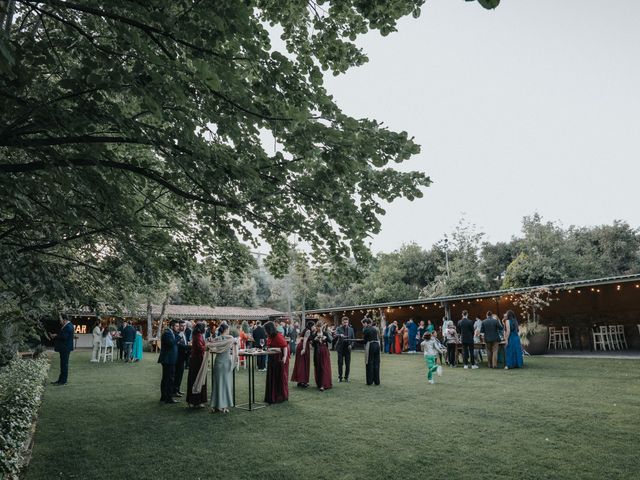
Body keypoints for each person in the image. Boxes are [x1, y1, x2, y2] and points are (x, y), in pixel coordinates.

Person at [210, 323, 237, 413]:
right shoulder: (230, 338)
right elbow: (236, 345)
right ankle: (223, 406)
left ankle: (216, 405)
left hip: (218, 362)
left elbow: (209, 346)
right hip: (226, 363)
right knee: (225, 384)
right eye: (228, 329)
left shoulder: (216, 339)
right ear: (226, 330)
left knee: (217, 384)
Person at [264, 321, 289, 404]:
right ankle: (271, 395)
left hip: (278, 359)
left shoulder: (278, 336)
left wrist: (284, 357)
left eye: (266, 330)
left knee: (278, 377)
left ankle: (279, 396)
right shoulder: (270, 337)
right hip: (272, 358)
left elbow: (284, 347)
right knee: (272, 376)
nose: (265, 332)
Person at [158, 319, 180, 404]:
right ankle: (168, 398)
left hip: (170, 359)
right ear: (172, 326)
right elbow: (171, 343)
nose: (178, 328)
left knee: (167, 378)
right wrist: (179, 336)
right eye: (176, 326)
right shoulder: (167, 333)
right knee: (169, 379)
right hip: (168, 359)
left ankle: (164, 397)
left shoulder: (172, 333)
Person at [186, 322, 208, 408]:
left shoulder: (197, 335)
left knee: (196, 379)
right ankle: (195, 401)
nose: (205, 329)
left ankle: (196, 401)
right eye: (204, 327)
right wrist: (207, 346)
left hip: (196, 359)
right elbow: (200, 348)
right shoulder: (198, 336)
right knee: (197, 379)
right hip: (197, 360)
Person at [52, 315, 74, 385]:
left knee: (64, 365)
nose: (60, 321)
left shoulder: (68, 326)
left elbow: (64, 337)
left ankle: (63, 381)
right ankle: (60, 380)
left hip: (65, 348)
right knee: (63, 365)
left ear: (64, 319)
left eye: (61, 319)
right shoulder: (67, 326)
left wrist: (55, 335)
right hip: (64, 348)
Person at [291, 321, 314, 388]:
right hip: (303, 346)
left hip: (300, 346)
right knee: (303, 364)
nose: (314, 327)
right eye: (313, 326)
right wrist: (304, 349)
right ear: (311, 326)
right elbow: (305, 340)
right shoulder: (308, 331)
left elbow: (301, 338)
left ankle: (300, 381)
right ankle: (302, 381)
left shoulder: (305, 330)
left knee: (300, 363)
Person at [312, 322, 332, 391]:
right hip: (317, 352)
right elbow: (313, 345)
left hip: (324, 352)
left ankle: (324, 384)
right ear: (316, 327)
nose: (319, 328)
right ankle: (319, 383)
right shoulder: (314, 334)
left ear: (322, 327)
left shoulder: (325, 333)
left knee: (324, 367)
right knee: (318, 367)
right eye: (318, 327)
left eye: (320, 327)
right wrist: (315, 340)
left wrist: (326, 338)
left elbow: (330, 341)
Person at [335, 316, 355, 382]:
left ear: (348, 322)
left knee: (348, 364)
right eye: (344, 322)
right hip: (340, 348)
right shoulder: (338, 328)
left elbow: (353, 339)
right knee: (340, 363)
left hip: (348, 348)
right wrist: (340, 335)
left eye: (346, 322)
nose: (345, 323)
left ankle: (346, 377)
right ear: (342, 322)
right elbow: (335, 334)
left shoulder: (351, 329)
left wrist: (351, 345)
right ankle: (340, 377)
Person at [362, 318, 380, 386]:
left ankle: (369, 381)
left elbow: (364, 340)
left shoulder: (366, 329)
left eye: (363, 324)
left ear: (366, 323)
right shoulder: (375, 329)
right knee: (376, 363)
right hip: (377, 345)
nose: (363, 325)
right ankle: (377, 381)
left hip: (371, 346)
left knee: (369, 363)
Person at [174, 320, 188, 396]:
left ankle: (178, 389)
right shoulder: (177, 334)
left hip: (183, 356)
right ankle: (175, 390)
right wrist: (188, 347)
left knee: (181, 374)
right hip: (178, 357)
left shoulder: (184, 333)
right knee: (177, 374)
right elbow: (178, 345)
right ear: (179, 326)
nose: (183, 327)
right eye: (182, 326)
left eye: (184, 325)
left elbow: (184, 342)